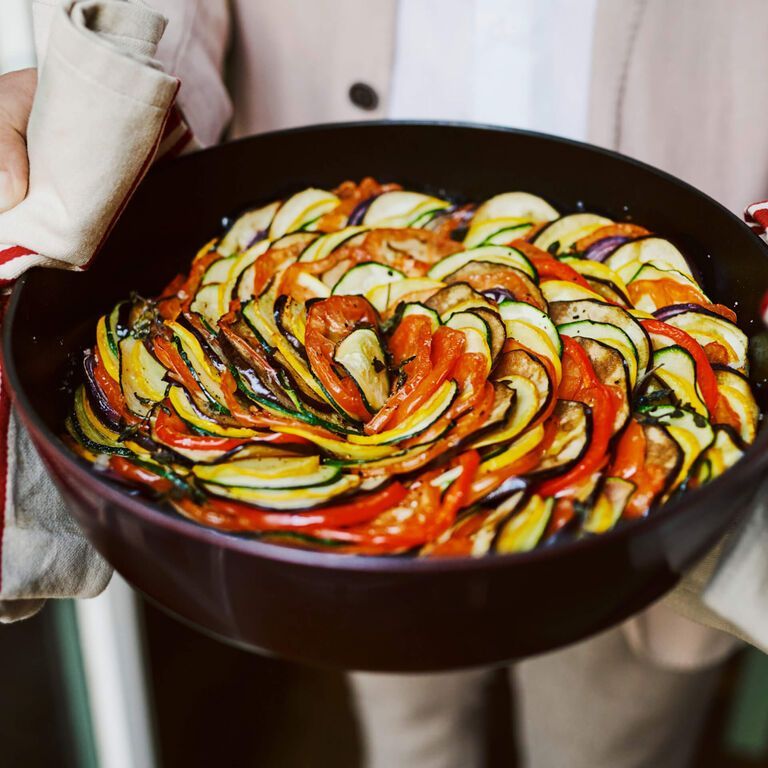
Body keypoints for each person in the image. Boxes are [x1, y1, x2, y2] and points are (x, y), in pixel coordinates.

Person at [2, 1, 768, 766]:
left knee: (610, 745)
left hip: (679, 218)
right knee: (411, 733)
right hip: (350, 460)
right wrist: (105, 111)